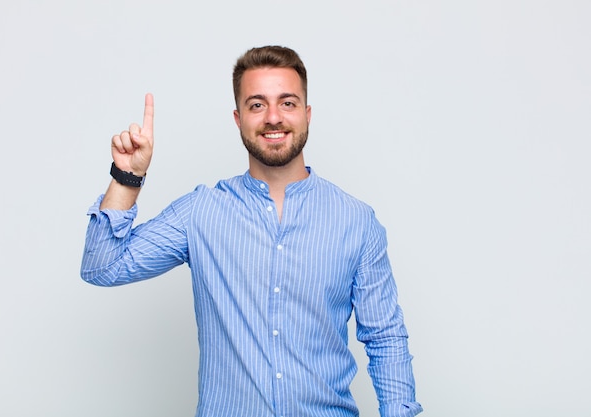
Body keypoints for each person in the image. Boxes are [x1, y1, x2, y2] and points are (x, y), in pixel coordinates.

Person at [81, 45, 422, 417]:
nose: (273, 117)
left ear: (307, 115)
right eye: (257, 105)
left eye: (287, 103)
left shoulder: (356, 221)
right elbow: (102, 267)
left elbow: (385, 339)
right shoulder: (201, 213)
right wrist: (127, 177)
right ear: (238, 118)